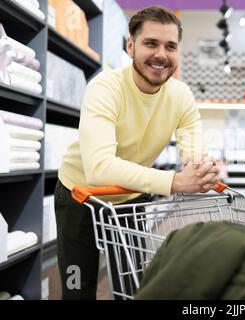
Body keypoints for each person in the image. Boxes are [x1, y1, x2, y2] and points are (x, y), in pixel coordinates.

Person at [54, 6, 221, 300]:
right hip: (80, 196)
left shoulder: (181, 96)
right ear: (131, 46)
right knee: (77, 287)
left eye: (170, 46)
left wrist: (201, 167)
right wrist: (175, 182)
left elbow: (193, 153)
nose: (161, 54)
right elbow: (100, 169)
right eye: (151, 43)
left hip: (130, 199)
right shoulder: (105, 88)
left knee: (131, 288)